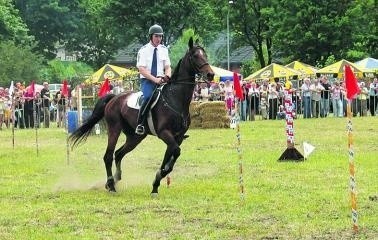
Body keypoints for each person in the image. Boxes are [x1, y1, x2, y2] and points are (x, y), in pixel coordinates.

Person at [135, 24, 171, 135]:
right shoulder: (144, 50)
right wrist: (155, 80)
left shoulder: (164, 49)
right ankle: (140, 124)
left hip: (162, 79)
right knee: (148, 97)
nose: (159, 39)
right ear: (151, 36)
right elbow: (141, 69)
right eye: (156, 36)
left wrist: (167, 76)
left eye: (160, 36)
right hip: (148, 81)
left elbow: (168, 67)